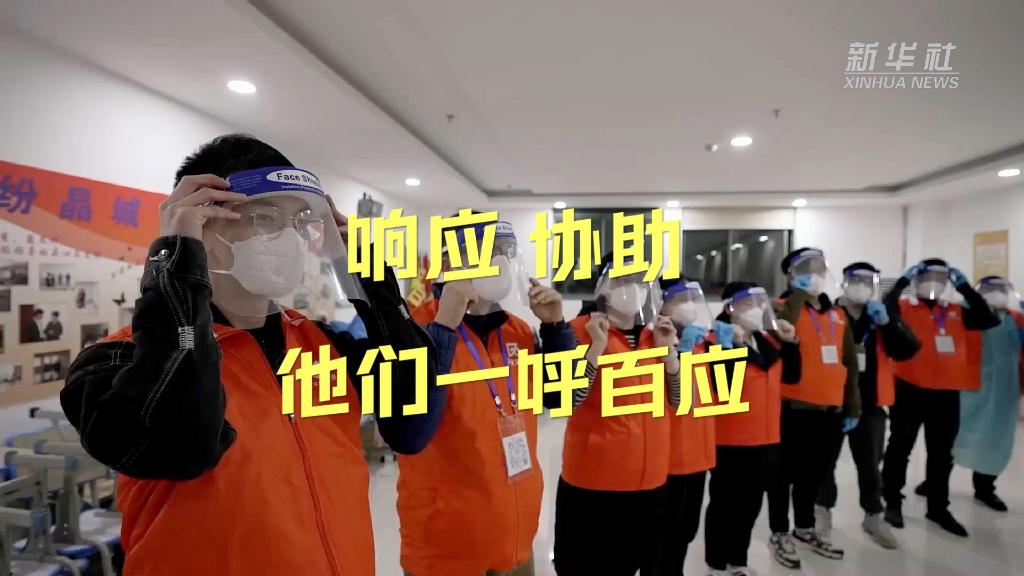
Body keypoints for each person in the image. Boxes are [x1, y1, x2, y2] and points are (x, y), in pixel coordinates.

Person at [60, 134, 445, 575]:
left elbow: (413, 425)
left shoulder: (324, 347)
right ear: (204, 223)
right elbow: (183, 445)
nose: (290, 237)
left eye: (299, 221)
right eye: (266, 217)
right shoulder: (118, 363)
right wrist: (176, 261)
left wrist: (367, 275)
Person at [398, 220, 576, 576]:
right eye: (483, 252)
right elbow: (410, 433)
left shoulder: (518, 331)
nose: (498, 261)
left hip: (515, 536)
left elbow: (561, 398)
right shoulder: (415, 331)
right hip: (446, 549)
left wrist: (556, 329)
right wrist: (444, 328)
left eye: (502, 252)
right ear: (450, 263)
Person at [553, 258, 672, 576]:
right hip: (595, 483)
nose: (632, 289)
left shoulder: (656, 333)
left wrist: (670, 356)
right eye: (622, 280)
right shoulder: (577, 331)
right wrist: (595, 349)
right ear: (603, 287)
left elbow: (679, 400)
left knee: (635, 563)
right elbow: (567, 400)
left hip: (650, 481)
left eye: (640, 281)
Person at [881, 259, 999, 537]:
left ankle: (938, 508)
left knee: (942, 453)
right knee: (900, 448)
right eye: (927, 276)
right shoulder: (905, 307)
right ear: (917, 280)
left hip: (946, 393)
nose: (933, 282)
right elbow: (885, 310)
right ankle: (892, 501)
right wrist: (901, 283)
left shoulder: (956, 310)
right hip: (909, 388)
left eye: (940, 277)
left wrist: (965, 287)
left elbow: (988, 318)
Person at [815, 263, 920, 550]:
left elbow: (909, 349)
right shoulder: (829, 314)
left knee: (870, 464)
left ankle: (874, 515)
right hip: (834, 400)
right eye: (856, 280)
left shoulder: (879, 316)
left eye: (868, 281)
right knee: (825, 461)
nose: (861, 286)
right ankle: (821, 512)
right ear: (845, 282)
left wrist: (887, 323)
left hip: (870, 403)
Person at [767, 247, 860, 569]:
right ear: (791, 275)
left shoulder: (838, 315)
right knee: (783, 475)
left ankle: (805, 527)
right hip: (791, 406)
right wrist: (797, 294)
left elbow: (849, 362)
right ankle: (779, 531)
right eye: (806, 269)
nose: (815, 274)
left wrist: (852, 406)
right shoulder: (780, 307)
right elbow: (783, 329)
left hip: (829, 408)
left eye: (819, 268)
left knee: (814, 474)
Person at [704, 282, 800, 576]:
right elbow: (724, 388)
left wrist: (791, 342)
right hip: (729, 439)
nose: (757, 309)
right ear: (730, 308)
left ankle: (738, 561)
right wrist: (730, 347)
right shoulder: (715, 340)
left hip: (766, 438)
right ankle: (717, 565)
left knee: (750, 505)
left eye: (760, 303)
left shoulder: (766, 341)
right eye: (749, 303)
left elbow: (792, 377)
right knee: (724, 505)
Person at [644, 278, 716, 576]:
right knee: (662, 536)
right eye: (679, 299)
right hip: (669, 459)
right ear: (660, 304)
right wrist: (678, 354)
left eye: (691, 298)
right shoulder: (654, 343)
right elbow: (674, 397)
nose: (688, 305)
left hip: (698, 455)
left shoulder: (699, 341)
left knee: (685, 530)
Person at [951, 276, 1023, 512]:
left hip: (1004, 390)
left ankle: (984, 488)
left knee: (995, 440)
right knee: (952, 436)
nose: (995, 293)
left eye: (1001, 289)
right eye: (989, 289)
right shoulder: (966, 315)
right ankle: (935, 482)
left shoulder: (1017, 319)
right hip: (969, 388)